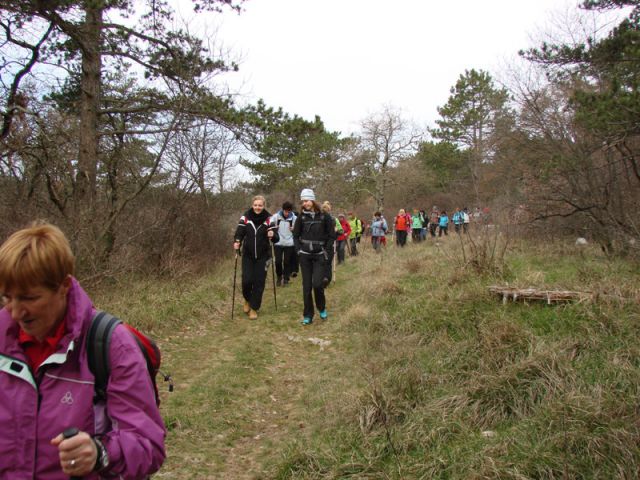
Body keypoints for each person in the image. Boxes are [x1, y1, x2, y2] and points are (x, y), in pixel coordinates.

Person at [0, 222, 166, 479]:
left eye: (30, 298)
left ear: (64, 286)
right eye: (7, 297)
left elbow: (148, 447)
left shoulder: (111, 345)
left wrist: (99, 452)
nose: (15, 311)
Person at [293, 189, 335, 325]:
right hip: (305, 256)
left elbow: (331, 235)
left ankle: (321, 307)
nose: (305, 203)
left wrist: (327, 251)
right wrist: (298, 250)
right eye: (303, 201)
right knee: (306, 287)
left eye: (307, 200)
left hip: (319, 255)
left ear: (313, 200)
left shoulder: (324, 216)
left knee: (317, 284)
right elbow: (295, 235)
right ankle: (308, 315)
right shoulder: (301, 217)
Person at [233, 195, 279, 320]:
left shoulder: (269, 219)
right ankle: (247, 300)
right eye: (255, 205)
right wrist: (237, 241)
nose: (257, 207)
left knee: (259, 282)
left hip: (263, 256)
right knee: (247, 281)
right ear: (252, 205)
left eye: (260, 205)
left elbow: (276, 238)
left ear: (263, 206)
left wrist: (272, 234)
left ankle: (254, 308)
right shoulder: (246, 217)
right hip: (248, 255)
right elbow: (239, 232)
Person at [271, 201, 297, 286]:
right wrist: (274, 228)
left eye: (289, 212)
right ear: (283, 210)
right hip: (278, 242)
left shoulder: (294, 218)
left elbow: (299, 231)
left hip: (289, 243)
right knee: (278, 262)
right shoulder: (275, 216)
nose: (287, 213)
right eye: (285, 211)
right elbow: (269, 226)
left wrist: (294, 229)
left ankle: (286, 279)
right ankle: (279, 277)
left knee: (287, 262)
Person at [321, 201, 339, 285]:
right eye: (324, 209)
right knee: (322, 262)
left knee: (327, 262)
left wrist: (337, 230)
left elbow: (339, 230)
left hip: (329, 243)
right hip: (321, 243)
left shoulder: (333, 219)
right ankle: (323, 278)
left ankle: (327, 278)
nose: (326, 211)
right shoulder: (319, 218)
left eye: (327, 209)